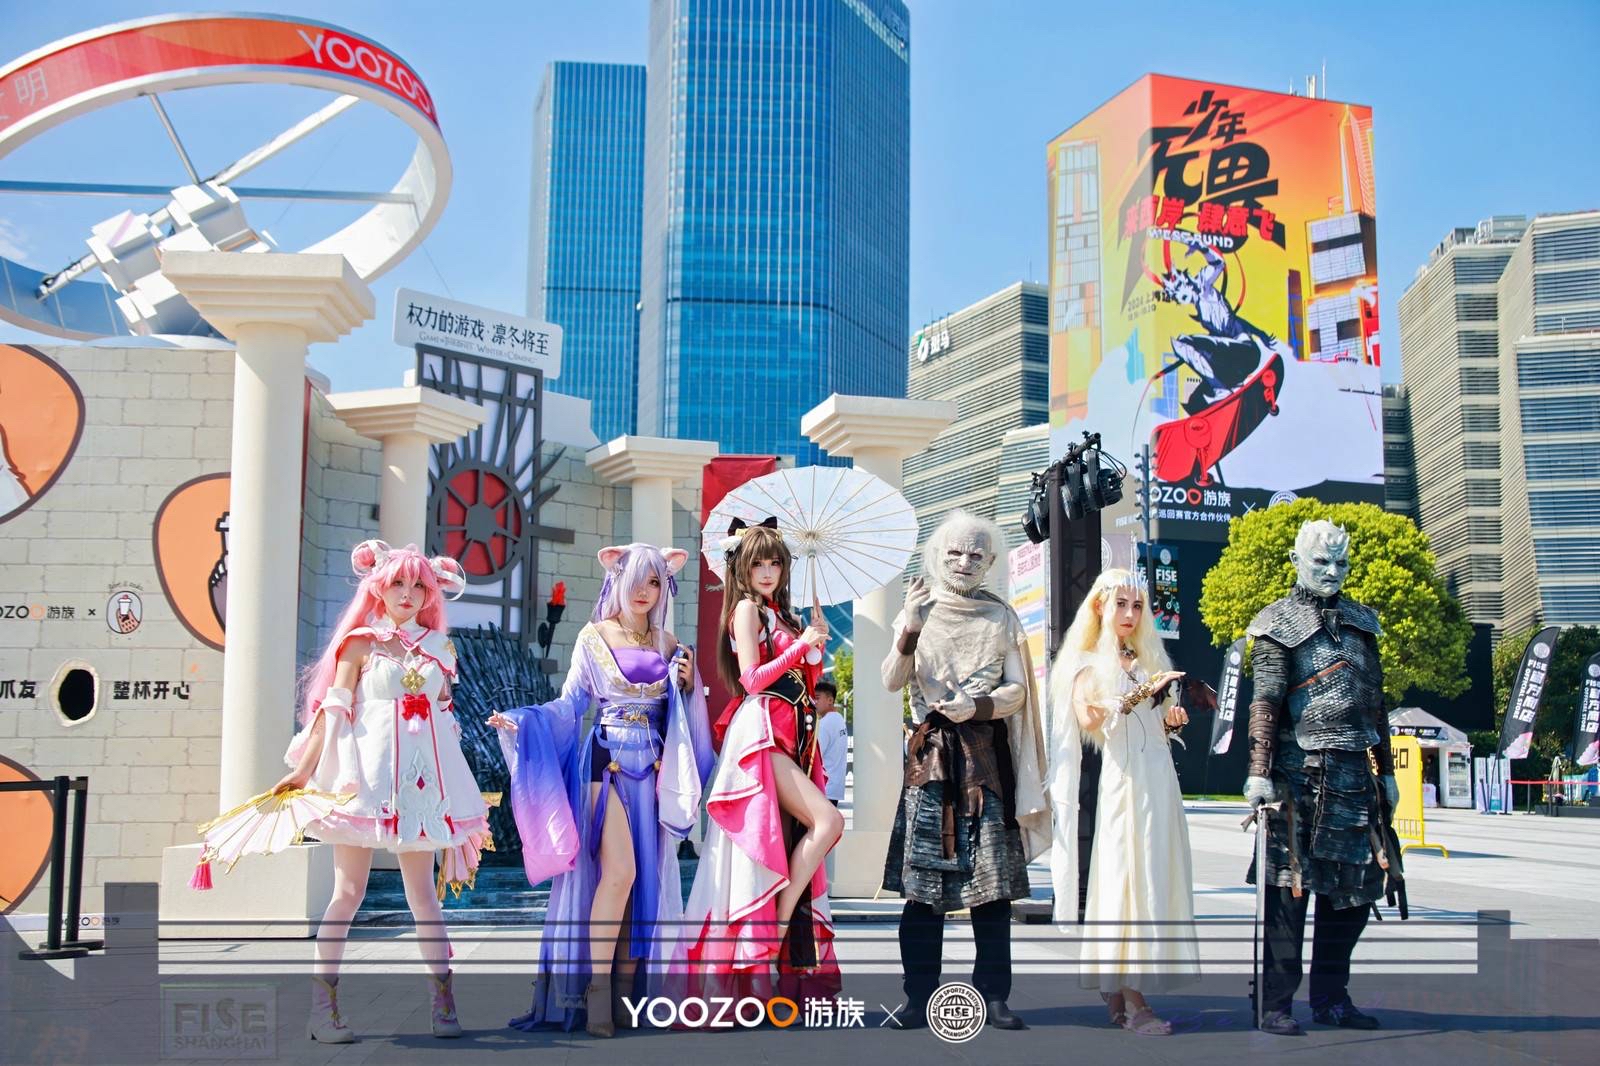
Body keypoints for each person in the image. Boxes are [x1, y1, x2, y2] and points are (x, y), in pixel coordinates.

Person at [487, 543, 712, 1037]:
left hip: (654, 771)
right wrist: (524, 721)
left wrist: (689, 686)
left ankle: (627, 993)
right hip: (605, 764)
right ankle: (596, 991)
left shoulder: (671, 644)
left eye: (654, 581)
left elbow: (685, 720)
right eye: (636, 579)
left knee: (644, 883)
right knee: (620, 872)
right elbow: (571, 704)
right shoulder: (593, 636)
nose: (644, 590)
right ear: (616, 578)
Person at [276, 540, 490, 1043]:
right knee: (348, 893)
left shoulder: (440, 649)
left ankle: (443, 1004)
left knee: (423, 897)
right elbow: (333, 710)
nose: (408, 593)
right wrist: (304, 771)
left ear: (431, 593)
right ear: (379, 586)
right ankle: (322, 1010)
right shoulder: (360, 643)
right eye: (398, 583)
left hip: (421, 788)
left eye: (419, 585)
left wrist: (456, 787)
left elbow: (444, 718)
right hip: (366, 783)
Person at [880, 511, 1051, 1031]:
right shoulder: (917, 609)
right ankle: (917, 998)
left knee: (993, 890)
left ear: (991, 561)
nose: (964, 561)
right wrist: (910, 628)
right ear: (937, 555)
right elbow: (891, 679)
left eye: (976, 553)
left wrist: (975, 706)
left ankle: (994, 997)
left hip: (984, 762)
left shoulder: (1001, 616)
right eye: (954, 552)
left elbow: (1017, 690)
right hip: (930, 763)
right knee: (923, 892)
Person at [675, 519, 844, 1004]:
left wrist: (816, 647)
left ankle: (773, 944)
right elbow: (751, 679)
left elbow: (803, 681)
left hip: (795, 738)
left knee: (792, 839)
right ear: (742, 569)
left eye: (774, 563)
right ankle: (777, 928)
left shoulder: (783, 614)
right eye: (757, 564)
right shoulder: (747, 610)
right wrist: (800, 646)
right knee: (827, 821)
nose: (768, 572)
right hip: (763, 734)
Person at [1244, 519, 1397, 1035]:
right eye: (1321, 561)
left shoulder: (1363, 623)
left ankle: (1332, 998)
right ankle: (1275, 1003)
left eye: (1341, 562)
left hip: (1355, 776)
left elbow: (1376, 704)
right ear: (1296, 561)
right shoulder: (1276, 622)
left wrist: (1387, 773)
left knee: (1352, 896)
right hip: (1297, 778)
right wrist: (1259, 773)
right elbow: (1265, 701)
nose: (1332, 571)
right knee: (1289, 894)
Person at [1047, 568, 1199, 1036]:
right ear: (1100, 606)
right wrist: (1139, 694)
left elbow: (1153, 725)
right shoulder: (1086, 663)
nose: (1130, 614)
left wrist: (1171, 719)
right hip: (1124, 784)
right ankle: (1134, 1001)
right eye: (1121, 604)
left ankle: (1118, 989)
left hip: (1159, 780)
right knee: (1125, 879)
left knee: (1153, 874)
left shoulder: (1147, 657)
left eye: (1137, 606)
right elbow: (1087, 718)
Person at [815, 680, 848, 808]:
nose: (814, 702)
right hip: (834, 787)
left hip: (824, 787)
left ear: (830, 700)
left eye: (817, 698)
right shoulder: (839, 719)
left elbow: (816, 755)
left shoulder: (825, 723)